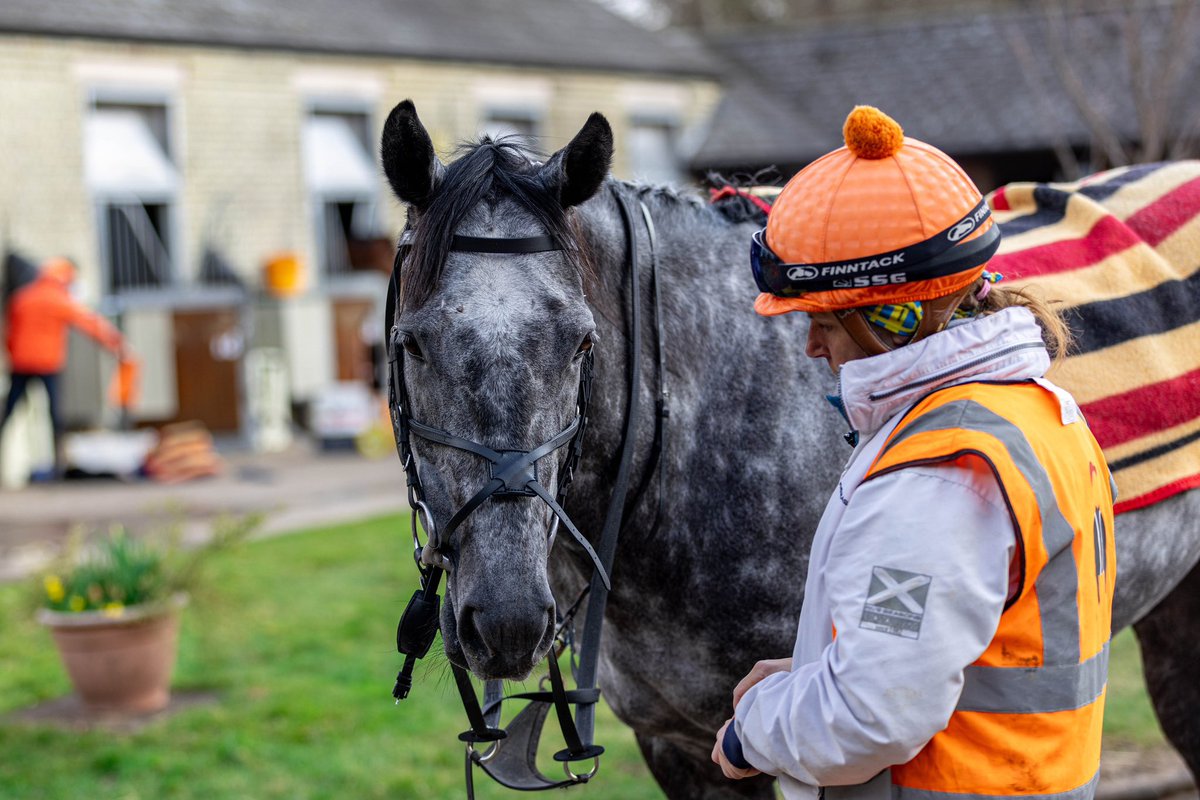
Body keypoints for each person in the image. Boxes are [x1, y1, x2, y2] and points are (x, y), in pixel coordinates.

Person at [711, 106, 1117, 800]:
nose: (811, 346)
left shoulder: (939, 475)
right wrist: (814, 672)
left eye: (823, 320)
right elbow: (939, 652)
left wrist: (752, 730)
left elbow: (868, 718)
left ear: (891, 319)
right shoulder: (1033, 413)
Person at [1, 257, 127, 474]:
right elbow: (90, 323)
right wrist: (116, 344)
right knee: (54, 414)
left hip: (21, 364)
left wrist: (12, 356)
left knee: (8, 412)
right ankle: (58, 465)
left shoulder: (22, 297)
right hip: (47, 365)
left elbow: (9, 333)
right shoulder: (58, 299)